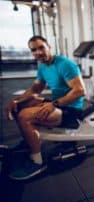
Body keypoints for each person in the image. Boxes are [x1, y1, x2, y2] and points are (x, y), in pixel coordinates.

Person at [6, 35, 86, 180]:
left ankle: (37, 161)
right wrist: (16, 100)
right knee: (20, 107)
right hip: (57, 104)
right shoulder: (43, 67)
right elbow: (35, 90)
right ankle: (29, 140)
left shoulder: (65, 64)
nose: (38, 52)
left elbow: (80, 91)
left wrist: (54, 105)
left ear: (49, 46)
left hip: (71, 110)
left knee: (24, 116)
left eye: (41, 47)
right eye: (34, 50)